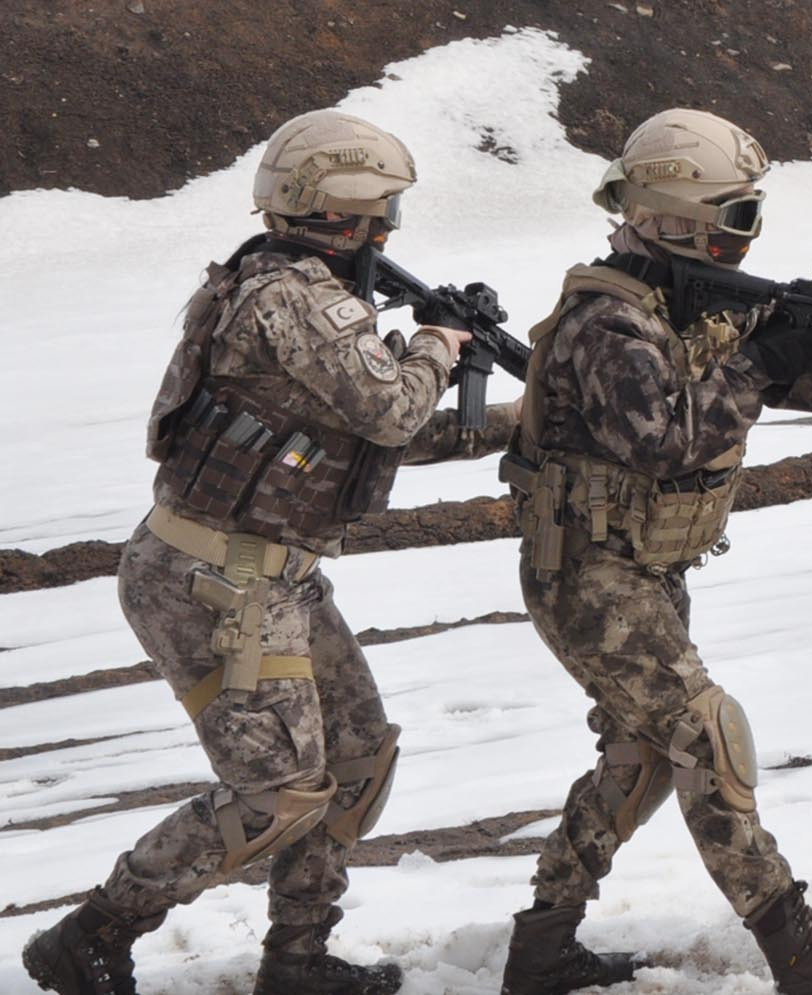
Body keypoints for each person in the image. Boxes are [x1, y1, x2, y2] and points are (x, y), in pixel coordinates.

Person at [20, 109, 517, 995]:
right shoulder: (297, 298)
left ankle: (299, 956)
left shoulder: (283, 289)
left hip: (268, 572)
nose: (388, 233)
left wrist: (507, 426)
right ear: (348, 214)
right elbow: (393, 410)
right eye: (383, 214)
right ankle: (94, 933)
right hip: (216, 580)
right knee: (279, 791)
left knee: (359, 755)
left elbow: (354, 435)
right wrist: (439, 344)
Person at [491, 107, 812, 995]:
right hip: (586, 572)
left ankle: (542, 947)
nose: (744, 238)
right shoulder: (605, 321)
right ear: (671, 215)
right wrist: (764, 358)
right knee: (707, 732)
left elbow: (781, 380)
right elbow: (664, 436)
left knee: (640, 758)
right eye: (732, 218)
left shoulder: (677, 300)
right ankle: (791, 938)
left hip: (640, 568)